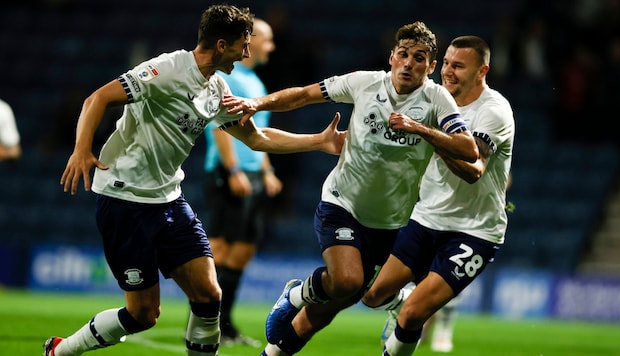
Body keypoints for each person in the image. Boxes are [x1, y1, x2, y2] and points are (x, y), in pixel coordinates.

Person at [44, 4, 346, 356]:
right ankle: (61, 351)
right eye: (242, 45)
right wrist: (81, 149)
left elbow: (257, 139)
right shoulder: (167, 69)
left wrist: (318, 141)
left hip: (169, 200)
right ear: (221, 45)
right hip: (125, 201)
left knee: (209, 295)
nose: (246, 52)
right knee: (143, 314)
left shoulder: (216, 88)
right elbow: (97, 98)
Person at [222, 21, 479, 356]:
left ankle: (275, 352)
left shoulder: (437, 99)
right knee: (346, 281)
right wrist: (257, 103)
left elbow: (468, 148)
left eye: (419, 58)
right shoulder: (364, 83)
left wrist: (420, 128)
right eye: (403, 54)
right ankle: (296, 295)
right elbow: (304, 94)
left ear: (431, 67)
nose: (409, 63)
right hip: (342, 204)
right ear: (392, 57)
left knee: (345, 299)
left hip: (391, 222)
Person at [360, 35, 515, 356]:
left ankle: (410, 315)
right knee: (371, 296)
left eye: (459, 66)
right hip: (426, 218)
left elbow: (474, 170)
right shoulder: (431, 99)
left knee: (413, 314)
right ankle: (403, 301)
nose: (448, 71)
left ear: (482, 71)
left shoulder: (493, 110)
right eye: (446, 63)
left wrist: (425, 131)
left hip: (475, 230)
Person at [203, 18, 280, 347]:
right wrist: (233, 170)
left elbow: (256, 135)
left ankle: (226, 324)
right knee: (221, 247)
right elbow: (217, 127)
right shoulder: (226, 78)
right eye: (267, 40)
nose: (270, 46)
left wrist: (266, 170)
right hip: (229, 172)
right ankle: (206, 323)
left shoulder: (255, 82)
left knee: (244, 249)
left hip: (253, 175)